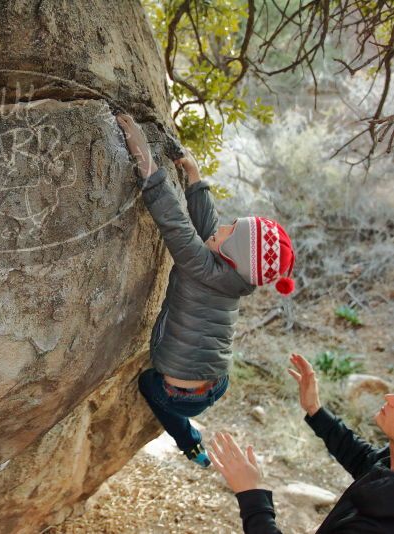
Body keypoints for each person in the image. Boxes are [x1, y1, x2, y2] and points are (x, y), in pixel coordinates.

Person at [116, 114, 296, 467]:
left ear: (233, 255)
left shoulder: (198, 265)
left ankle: (188, 440)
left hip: (179, 394)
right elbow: (208, 228)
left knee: (147, 386)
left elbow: (174, 222)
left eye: (232, 231)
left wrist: (146, 162)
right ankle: (193, 446)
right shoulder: (236, 278)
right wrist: (195, 180)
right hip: (214, 385)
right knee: (164, 383)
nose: (224, 227)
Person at [209, 354, 394, 532]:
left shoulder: (378, 525)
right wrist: (315, 409)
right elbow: (364, 460)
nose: (389, 398)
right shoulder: (389, 464)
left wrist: (250, 493)